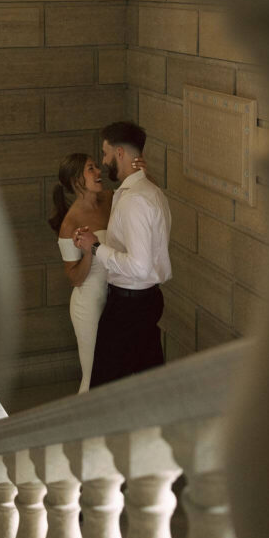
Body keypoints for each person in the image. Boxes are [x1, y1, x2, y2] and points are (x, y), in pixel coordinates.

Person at [75, 121, 172, 388]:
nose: (104, 161)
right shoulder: (150, 192)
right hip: (145, 300)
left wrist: (95, 247)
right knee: (150, 384)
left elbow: (140, 266)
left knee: (104, 387)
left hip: (130, 306)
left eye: (105, 154)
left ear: (120, 153)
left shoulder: (135, 200)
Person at [49, 151, 146, 392]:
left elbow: (144, 199)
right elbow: (74, 278)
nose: (98, 172)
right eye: (91, 168)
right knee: (94, 375)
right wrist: (90, 251)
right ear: (76, 180)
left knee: (117, 368)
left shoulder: (111, 198)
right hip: (89, 304)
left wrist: (145, 175)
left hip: (117, 295)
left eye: (96, 166)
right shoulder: (69, 224)